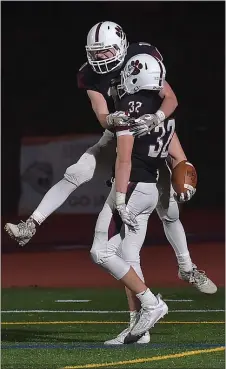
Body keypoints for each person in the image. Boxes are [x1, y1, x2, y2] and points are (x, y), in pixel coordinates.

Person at [5, 21, 216, 298]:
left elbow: (170, 100)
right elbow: (102, 113)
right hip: (122, 131)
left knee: (170, 210)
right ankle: (31, 224)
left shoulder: (142, 60)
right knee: (76, 171)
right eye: (94, 53)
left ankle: (187, 267)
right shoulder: (90, 75)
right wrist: (112, 120)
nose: (98, 59)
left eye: (103, 52)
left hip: (151, 131)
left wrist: (159, 123)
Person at [90, 53, 172, 341]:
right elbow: (172, 102)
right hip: (152, 187)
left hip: (133, 185)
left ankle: (151, 303)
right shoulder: (161, 110)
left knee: (100, 251)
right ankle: (141, 327)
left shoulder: (129, 106)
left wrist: (121, 199)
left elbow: (123, 160)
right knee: (129, 255)